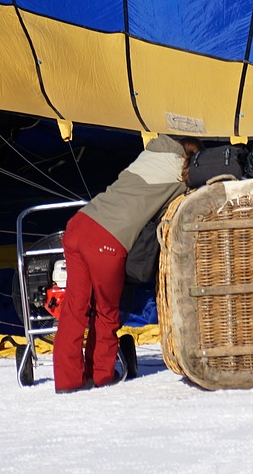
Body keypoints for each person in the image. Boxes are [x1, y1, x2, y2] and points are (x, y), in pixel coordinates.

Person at [53, 135, 200, 392]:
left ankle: (67, 380)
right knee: (106, 312)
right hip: (106, 239)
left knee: (74, 308)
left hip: (79, 224)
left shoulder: (146, 156)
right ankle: (100, 375)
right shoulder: (180, 173)